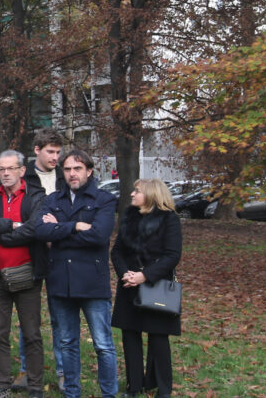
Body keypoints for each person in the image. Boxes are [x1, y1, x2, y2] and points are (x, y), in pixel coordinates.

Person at [34, 149, 118, 398]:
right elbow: (40, 231)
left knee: (103, 345)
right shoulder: (52, 200)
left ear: (89, 171)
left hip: (93, 282)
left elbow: (99, 236)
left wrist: (59, 230)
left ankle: (109, 393)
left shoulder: (104, 199)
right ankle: (72, 393)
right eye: (68, 169)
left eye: (77, 168)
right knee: (67, 343)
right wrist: (76, 226)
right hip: (60, 281)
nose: (72, 173)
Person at [0, 150, 47, 398]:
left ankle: (35, 387)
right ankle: (2, 384)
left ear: (21, 170)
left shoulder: (36, 195)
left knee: (32, 334)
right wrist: (11, 225)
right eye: (1, 169)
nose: (5, 173)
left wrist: (0, 235)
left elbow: (34, 230)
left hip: (27, 275)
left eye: (10, 168)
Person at [111, 179, 182, 398]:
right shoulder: (130, 218)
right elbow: (117, 252)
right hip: (129, 285)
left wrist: (144, 276)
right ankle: (134, 386)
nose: (132, 194)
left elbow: (172, 256)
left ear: (151, 195)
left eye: (137, 191)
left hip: (156, 285)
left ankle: (162, 388)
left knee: (158, 338)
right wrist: (126, 274)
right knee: (130, 336)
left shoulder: (169, 220)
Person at [21, 128, 66, 391]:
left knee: (60, 316)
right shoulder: (23, 177)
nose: (55, 157)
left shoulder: (64, 176)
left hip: (60, 254)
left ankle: (62, 371)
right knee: (29, 316)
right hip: (30, 252)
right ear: (37, 150)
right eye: (50, 151)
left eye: (58, 152)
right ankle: (27, 369)